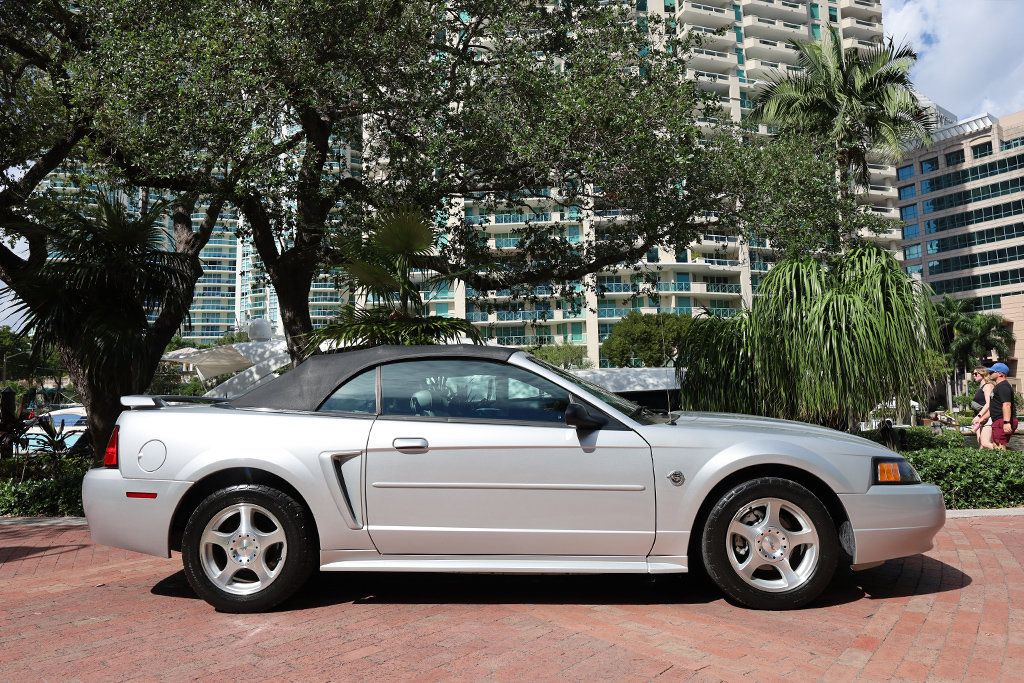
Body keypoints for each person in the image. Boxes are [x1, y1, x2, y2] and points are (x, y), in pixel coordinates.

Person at [987, 362, 1018, 449]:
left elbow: (1007, 405)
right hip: (999, 420)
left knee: (999, 446)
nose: (990, 374)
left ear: (1000, 374)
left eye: (992, 372)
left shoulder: (1003, 386)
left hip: (1002, 420)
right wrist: (981, 418)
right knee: (996, 445)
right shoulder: (998, 386)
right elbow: (994, 406)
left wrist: (1006, 422)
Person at [970, 367, 996, 449]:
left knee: (985, 443)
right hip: (980, 419)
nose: (974, 376)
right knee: (980, 443)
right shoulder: (981, 387)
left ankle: (1007, 453)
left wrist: (979, 416)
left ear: (983, 374)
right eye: (973, 374)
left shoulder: (988, 386)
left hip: (986, 418)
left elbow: (988, 404)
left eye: (976, 373)